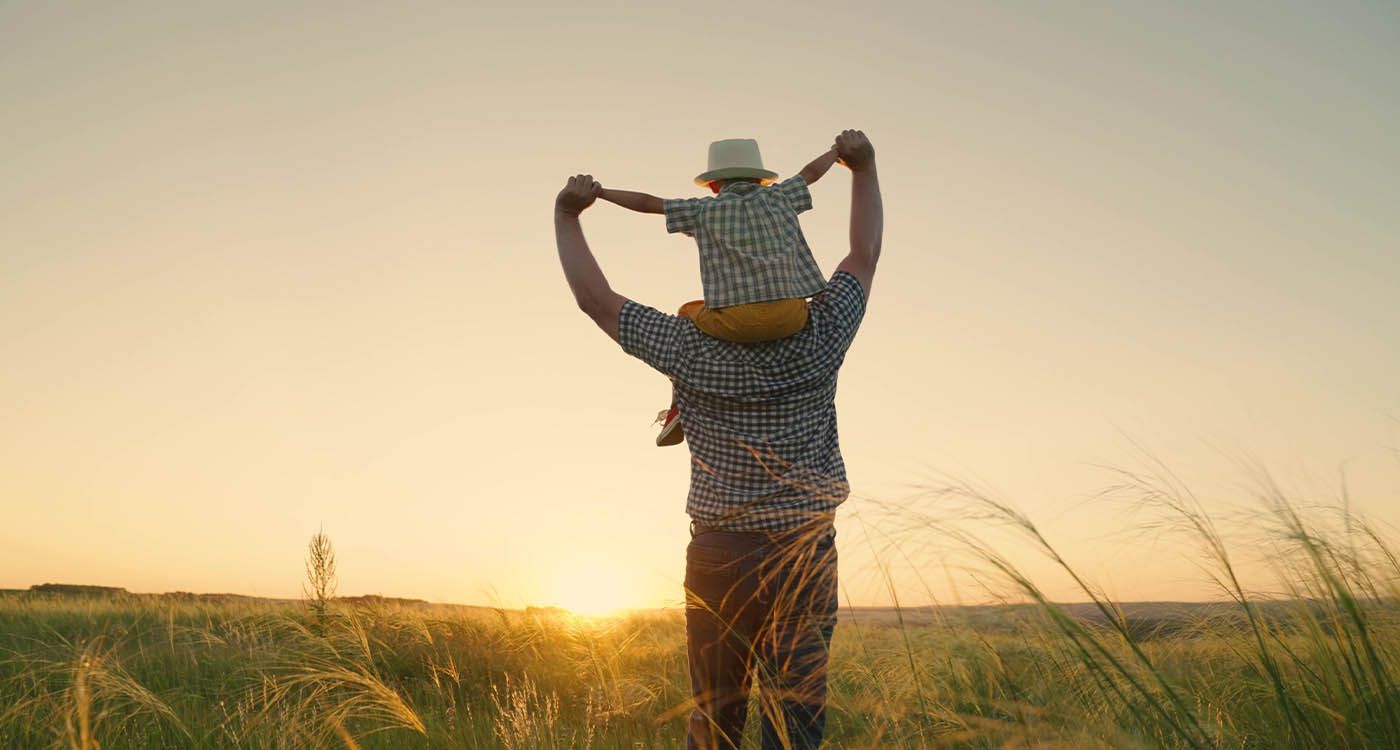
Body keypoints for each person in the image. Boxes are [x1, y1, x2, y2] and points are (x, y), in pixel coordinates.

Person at [553, 129, 881, 750]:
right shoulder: (824, 331)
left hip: (720, 556)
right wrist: (862, 169)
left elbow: (594, 300)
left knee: (715, 721)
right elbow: (862, 257)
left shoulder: (688, 346)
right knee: (795, 728)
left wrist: (568, 214)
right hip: (805, 553)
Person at [596, 138, 842, 447]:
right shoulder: (781, 196)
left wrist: (602, 193)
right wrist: (835, 153)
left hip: (735, 324)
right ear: (760, 179)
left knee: (686, 312)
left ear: (713, 185)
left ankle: (679, 407)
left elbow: (648, 202)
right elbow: (811, 172)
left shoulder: (703, 211)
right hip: (792, 316)